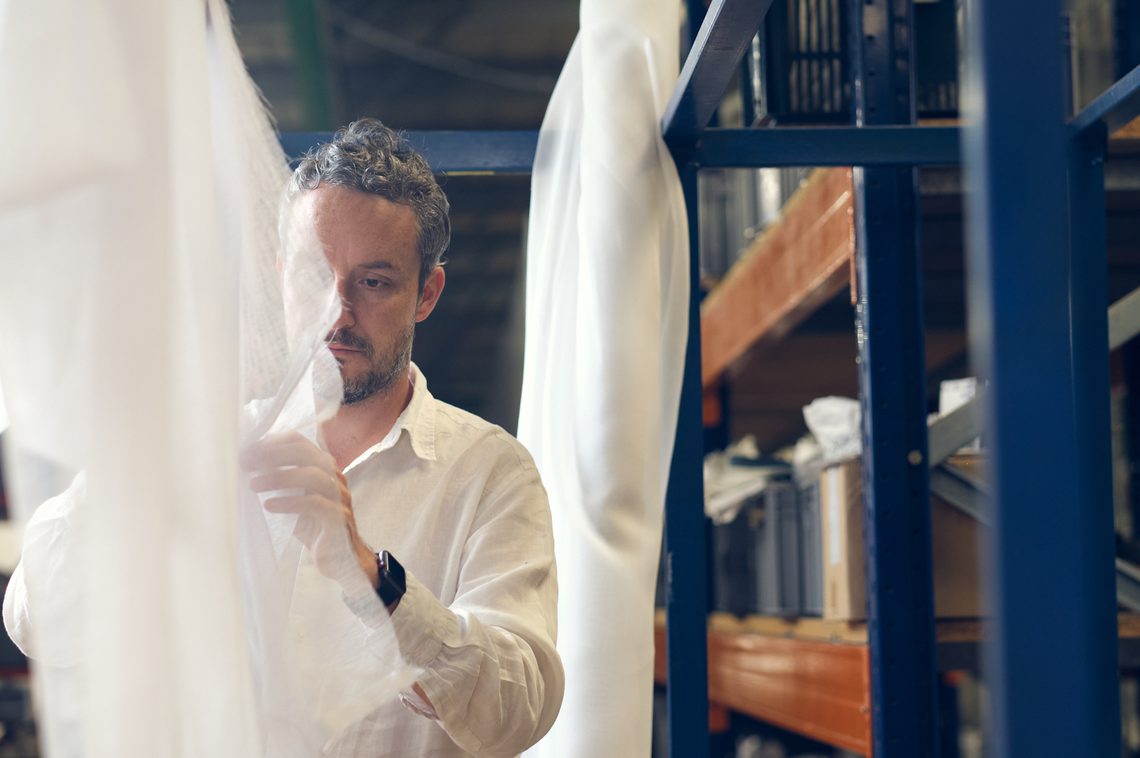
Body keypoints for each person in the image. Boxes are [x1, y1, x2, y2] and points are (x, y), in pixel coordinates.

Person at [6, 119, 564, 757]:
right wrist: (138, 463)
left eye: (373, 282)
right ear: (280, 277)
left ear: (426, 294)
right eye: (312, 275)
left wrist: (371, 579)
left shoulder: (490, 472)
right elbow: (36, 622)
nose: (337, 311)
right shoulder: (211, 442)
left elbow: (516, 716)